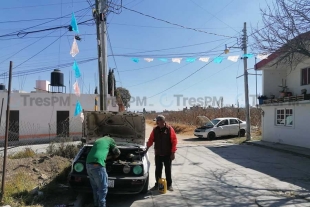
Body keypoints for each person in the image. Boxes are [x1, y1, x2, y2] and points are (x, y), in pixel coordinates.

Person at [86, 135, 121, 207]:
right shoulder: (110, 140)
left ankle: (96, 204)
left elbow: (99, 152)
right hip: (97, 165)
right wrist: (113, 157)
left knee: (95, 187)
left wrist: (106, 157)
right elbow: (117, 152)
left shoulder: (98, 140)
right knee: (102, 188)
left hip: (88, 164)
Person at [145, 115, 177, 191]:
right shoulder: (155, 130)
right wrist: (146, 148)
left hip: (167, 154)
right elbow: (150, 140)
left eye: (157, 121)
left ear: (162, 121)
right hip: (158, 154)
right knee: (158, 170)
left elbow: (174, 141)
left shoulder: (169, 129)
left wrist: (173, 153)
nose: (156, 122)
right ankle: (157, 184)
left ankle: (169, 185)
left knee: (168, 170)